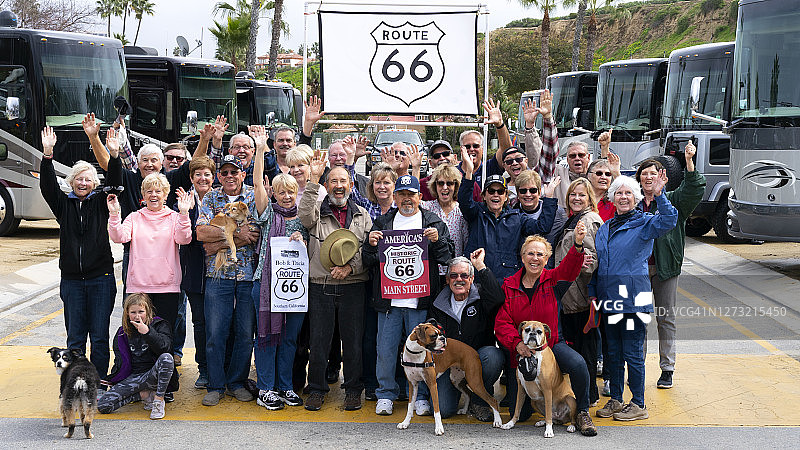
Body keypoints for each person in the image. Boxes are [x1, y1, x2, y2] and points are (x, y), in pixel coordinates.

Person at [362, 174, 454, 417]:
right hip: (390, 301)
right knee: (387, 350)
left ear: (420, 197)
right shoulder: (382, 223)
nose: (406, 199)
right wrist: (370, 244)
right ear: (395, 197)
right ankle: (386, 394)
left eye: (411, 194)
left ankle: (421, 395)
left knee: (422, 352)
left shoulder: (433, 222)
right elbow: (367, 260)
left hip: (420, 302)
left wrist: (437, 241)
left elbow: (448, 257)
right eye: (401, 194)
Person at [494, 230, 598, 436]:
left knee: (578, 364)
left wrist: (578, 245)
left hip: (552, 344)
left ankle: (582, 411)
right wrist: (517, 344)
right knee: (522, 414)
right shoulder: (509, 285)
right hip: (522, 349)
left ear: (547, 258)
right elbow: (502, 323)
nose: (535, 258)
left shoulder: (554, 279)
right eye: (530, 253)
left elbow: (569, 269)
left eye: (540, 254)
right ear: (522, 257)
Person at [593, 174, 677, 421]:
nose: (623, 197)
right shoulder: (605, 227)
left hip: (633, 299)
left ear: (636, 197)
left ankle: (638, 403)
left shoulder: (645, 223)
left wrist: (660, 195)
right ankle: (617, 400)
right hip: (610, 298)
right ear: (613, 198)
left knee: (632, 352)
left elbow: (670, 220)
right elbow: (601, 264)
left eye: (628, 193)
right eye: (619, 193)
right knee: (614, 353)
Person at [39, 127, 116, 379]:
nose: (83, 183)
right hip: (72, 281)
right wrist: (47, 154)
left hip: (101, 279)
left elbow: (116, 181)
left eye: (88, 179)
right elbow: (48, 187)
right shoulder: (64, 205)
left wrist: (113, 156)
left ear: (94, 184)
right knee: (75, 338)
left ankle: (99, 379)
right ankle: (75, 380)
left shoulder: (101, 203)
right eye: (79, 179)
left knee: (100, 336)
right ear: (71, 182)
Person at [300, 153, 373, 412]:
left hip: (353, 286)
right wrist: (314, 180)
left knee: (353, 342)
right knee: (319, 341)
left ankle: (353, 389)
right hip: (321, 284)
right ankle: (317, 389)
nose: (338, 185)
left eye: (343, 180)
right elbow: (303, 215)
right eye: (333, 181)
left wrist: (350, 267)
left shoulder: (362, 215)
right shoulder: (317, 213)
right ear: (327, 185)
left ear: (351, 185)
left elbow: (368, 250)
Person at [635, 142, 706, 390]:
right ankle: (637, 365)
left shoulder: (674, 200)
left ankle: (667, 369)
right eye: (644, 173)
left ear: (662, 177)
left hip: (666, 269)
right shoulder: (631, 203)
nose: (648, 177)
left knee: (665, 319)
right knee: (638, 320)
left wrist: (688, 162)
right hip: (639, 272)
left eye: (653, 173)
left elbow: (695, 188)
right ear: (638, 178)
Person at [250, 125, 310, 410]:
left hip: (294, 289)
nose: (286, 196)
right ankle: (266, 388)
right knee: (266, 338)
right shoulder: (267, 212)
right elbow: (258, 186)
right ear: (274, 193)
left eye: (290, 191)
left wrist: (302, 238)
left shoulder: (304, 216)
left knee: (289, 340)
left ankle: (285, 386)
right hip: (264, 283)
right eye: (281, 191)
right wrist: (261, 149)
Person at [196, 153, 260, 407]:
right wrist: (232, 236)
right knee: (215, 332)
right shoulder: (211, 197)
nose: (230, 176)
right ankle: (215, 385)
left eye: (235, 172)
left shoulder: (254, 197)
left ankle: (236, 382)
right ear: (219, 176)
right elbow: (201, 232)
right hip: (218, 275)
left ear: (243, 174)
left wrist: (218, 243)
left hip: (247, 276)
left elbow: (254, 233)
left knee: (245, 334)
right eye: (225, 172)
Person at [107, 173, 194, 332]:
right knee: (137, 334)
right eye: (149, 191)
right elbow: (119, 237)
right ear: (143, 195)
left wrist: (184, 214)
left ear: (165, 195)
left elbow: (184, 239)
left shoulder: (175, 217)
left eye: (158, 191)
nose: (153, 195)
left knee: (164, 334)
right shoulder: (134, 217)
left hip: (167, 287)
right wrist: (114, 215)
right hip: (139, 286)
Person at [459, 146, 559, 283]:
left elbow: (542, 227)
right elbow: (464, 201)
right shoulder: (476, 213)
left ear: (506, 196)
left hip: (507, 281)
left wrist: (548, 199)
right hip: (478, 279)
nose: (496, 195)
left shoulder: (516, 217)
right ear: (484, 195)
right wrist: (469, 173)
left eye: (500, 192)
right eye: (491, 191)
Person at [430, 250, 505, 421]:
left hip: (478, 357)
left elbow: (498, 298)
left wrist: (480, 266)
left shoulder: (481, 297)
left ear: (471, 279)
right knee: (444, 409)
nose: (459, 279)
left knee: (494, 356)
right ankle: (466, 395)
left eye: (464, 275)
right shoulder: (437, 303)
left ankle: (479, 401)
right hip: (449, 363)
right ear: (447, 279)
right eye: (454, 275)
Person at [553, 178, 603, 405]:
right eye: (573, 194)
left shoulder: (589, 220)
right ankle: (582, 395)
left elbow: (592, 259)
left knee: (585, 353)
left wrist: (582, 261)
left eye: (582, 195)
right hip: (569, 297)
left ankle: (588, 398)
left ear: (590, 198)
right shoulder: (573, 219)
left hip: (581, 298)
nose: (576, 198)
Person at [98, 294, 176, 420]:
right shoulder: (122, 332)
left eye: (141, 311)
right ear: (127, 314)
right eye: (133, 312)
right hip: (135, 377)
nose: (137, 316)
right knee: (103, 405)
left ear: (148, 311)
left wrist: (148, 332)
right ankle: (144, 395)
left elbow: (165, 348)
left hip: (153, 375)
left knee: (166, 358)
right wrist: (114, 379)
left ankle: (158, 399)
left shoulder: (160, 325)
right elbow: (119, 361)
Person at [178, 156, 216, 389]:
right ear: (191, 178)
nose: (203, 178)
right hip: (194, 272)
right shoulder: (183, 202)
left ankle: (222, 367)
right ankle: (204, 369)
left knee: (222, 324)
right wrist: (185, 212)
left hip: (219, 272)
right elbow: (185, 237)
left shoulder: (221, 199)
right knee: (201, 323)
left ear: (214, 178)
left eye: (207, 174)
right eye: (198, 174)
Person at [523, 90, 591, 208]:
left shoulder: (596, 175)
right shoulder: (558, 174)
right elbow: (548, 152)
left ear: (588, 157)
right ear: (567, 159)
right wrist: (547, 118)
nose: (577, 159)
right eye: (572, 156)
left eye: (581, 155)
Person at [422, 164, 468, 273]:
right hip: (432, 272)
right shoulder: (426, 207)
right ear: (435, 185)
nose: (445, 187)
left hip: (455, 273)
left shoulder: (461, 211)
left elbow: (466, 243)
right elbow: (410, 197)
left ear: (456, 186)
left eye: (450, 183)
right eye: (441, 183)